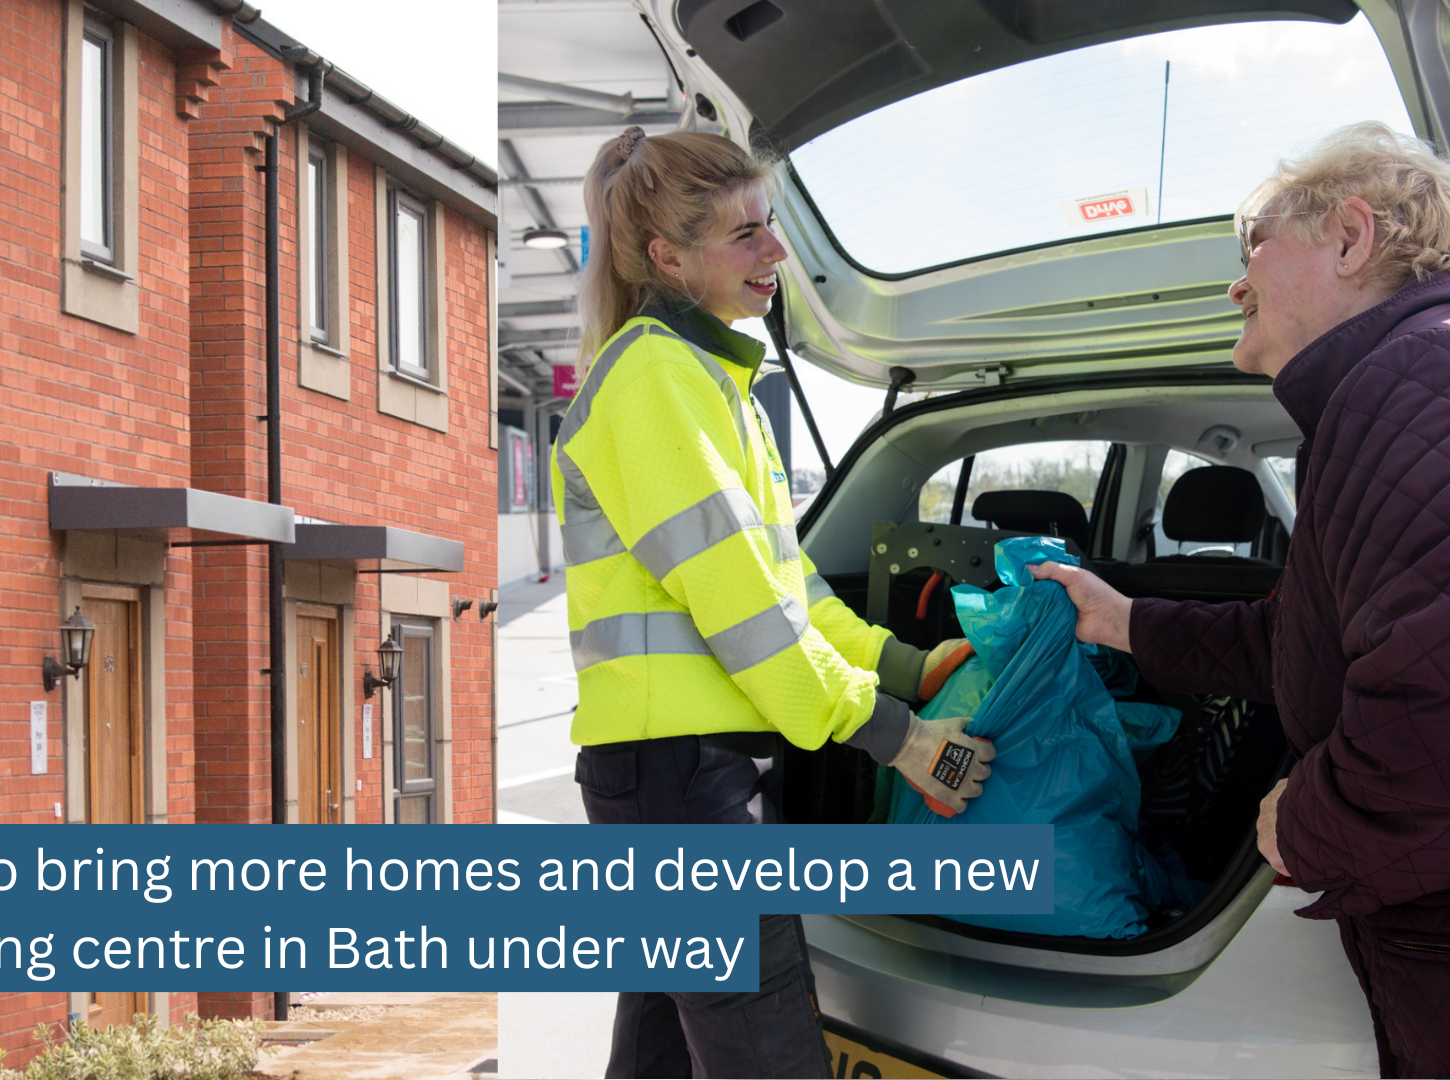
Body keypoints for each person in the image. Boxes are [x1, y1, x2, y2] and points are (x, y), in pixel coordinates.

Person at [551, 126, 993, 1079]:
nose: (777, 251)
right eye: (745, 232)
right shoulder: (656, 379)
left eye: (770, 224)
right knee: (768, 1058)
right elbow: (744, 608)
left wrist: (904, 665)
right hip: (680, 782)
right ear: (669, 257)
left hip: (675, 778)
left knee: (661, 1058)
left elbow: (789, 585)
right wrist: (898, 737)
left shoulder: (715, 382)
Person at [1030, 121, 1450, 1079]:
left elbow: (1436, 708)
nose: (1235, 284)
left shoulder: (1418, 380)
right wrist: (1120, 619)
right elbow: (1293, 641)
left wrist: (1304, 822)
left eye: (1256, 244)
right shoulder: (1390, 390)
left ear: (1351, 237)